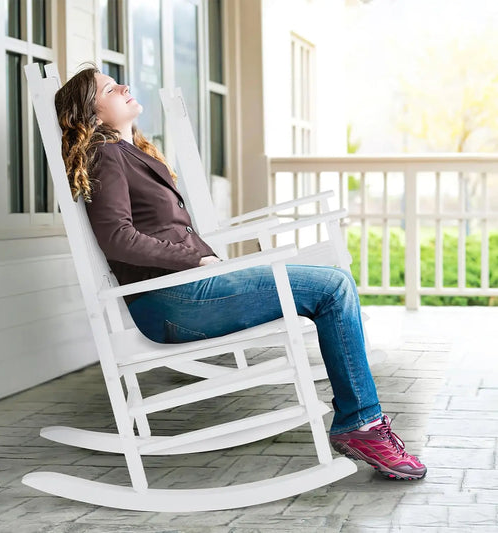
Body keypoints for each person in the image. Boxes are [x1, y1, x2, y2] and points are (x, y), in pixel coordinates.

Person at [54, 65, 427, 481]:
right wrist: (193, 261)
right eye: (109, 88)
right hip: (175, 301)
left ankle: (361, 423)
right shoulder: (106, 156)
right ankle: (361, 426)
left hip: (189, 291)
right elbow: (118, 239)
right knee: (332, 287)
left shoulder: (129, 153)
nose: (123, 86)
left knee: (329, 284)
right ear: (93, 113)